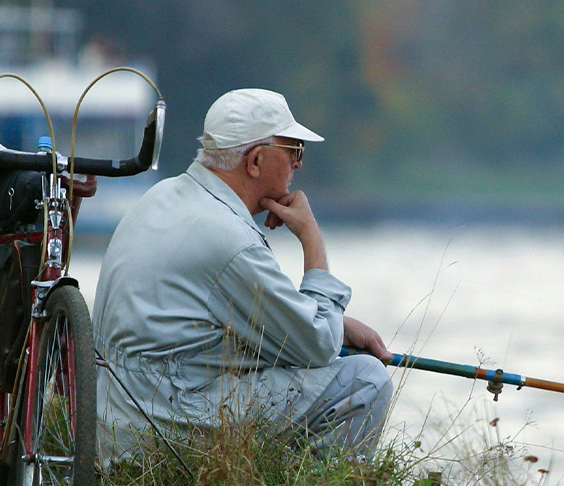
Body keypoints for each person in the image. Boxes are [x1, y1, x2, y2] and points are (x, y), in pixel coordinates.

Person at [94, 88, 394, 463]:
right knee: (365, 380)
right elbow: (316, 345)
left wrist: (333, 320)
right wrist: (312, 238)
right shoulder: (230, 238)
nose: (298, 165)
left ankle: (267, 484)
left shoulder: (162, 197)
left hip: (112, 421)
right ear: (255, 161)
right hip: (161, 430)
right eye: (294, 151)